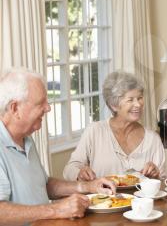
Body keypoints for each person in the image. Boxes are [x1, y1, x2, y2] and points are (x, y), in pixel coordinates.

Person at [0, 69, 116, 225]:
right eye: (40, 103)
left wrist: (88, 186)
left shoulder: (26, 139)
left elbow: (44, 185)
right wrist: (56, 210)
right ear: (15, 108)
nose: (48, 108)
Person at [63, 72, 165, 181]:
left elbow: (163, 181)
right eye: (130, 100)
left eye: (139, 98)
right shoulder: (95, 131)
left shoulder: (153, 139)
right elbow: (69, 169)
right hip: (102, 197)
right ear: (114, 105)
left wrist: (156, 175)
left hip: (144, 198)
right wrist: (80, 172)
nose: (138, 104)